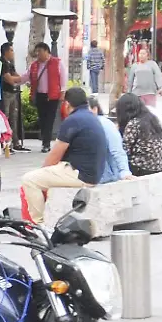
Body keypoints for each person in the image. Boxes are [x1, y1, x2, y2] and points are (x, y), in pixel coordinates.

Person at [19, 87, 108, 223]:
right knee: (45, 176)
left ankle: (38, 223)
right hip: (93, 174)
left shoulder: (72, 121)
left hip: (79, 174)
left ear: (67, 104)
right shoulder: (92, 117)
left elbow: (54, 157)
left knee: (30, 180)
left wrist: (42, 172)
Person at [115, 92, 162, 176]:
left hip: (141, 168)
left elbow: (124, 151)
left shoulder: (134, 124)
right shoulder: (153, 119)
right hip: (158, 165)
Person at [27, 43, 65, 151]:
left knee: (49, 120)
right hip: (40, 95)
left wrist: (62, 92)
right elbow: (27, 75)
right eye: (37, 52)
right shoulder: (35, 65)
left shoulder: (57, 63)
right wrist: (17, 80)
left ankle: (46, 144)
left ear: (46, 51)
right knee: (42, 120)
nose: (38, 54)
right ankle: (45, 140)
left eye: (40, 51)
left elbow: (63, 77)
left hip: (52, 96)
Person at [87, 96, 131, 182]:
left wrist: (124, 171)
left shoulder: (104, 124)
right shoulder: (80, 124)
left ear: (95, 109)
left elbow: (117, 150)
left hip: (107, 177)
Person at [0, 42, 25, 151]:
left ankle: (15, 142)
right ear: (6, 51)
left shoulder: (10, 63)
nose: (13, 53)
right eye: (11, 50)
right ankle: (5, 143)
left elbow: (17, 76)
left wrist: (20, 79)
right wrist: (18, 80)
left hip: (14, 94)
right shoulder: (2, 63)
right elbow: (10, 79)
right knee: (5, 117)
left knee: (14, 118)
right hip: (6, 94)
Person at [127, 48, 162, 113]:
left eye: (143, 54)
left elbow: (158, 75)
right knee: (138, 112)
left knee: (150, 112)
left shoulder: (152, 64)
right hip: (137, 93)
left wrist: (161, 87)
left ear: (147, 55)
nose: (141, 55)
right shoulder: (135, 66)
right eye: (140, 53)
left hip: (150, 92)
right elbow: (130, 80)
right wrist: (129, 92)